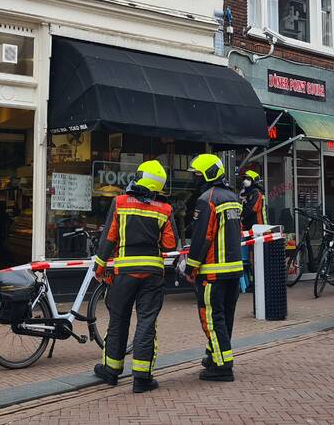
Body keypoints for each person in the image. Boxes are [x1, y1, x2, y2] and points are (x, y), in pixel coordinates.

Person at [92, 159, 177, 394]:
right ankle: (142, 377)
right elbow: (170, 244)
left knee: (118, 320)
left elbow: (108, 238)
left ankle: (111, 371)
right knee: (147, 322)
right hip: (152, 275)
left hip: (124, 274)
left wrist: (99, 267)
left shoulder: (120, 202)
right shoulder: (165, 209)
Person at [185, 153, 244, 382]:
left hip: (213, 271)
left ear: (208, 174)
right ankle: (214, 356)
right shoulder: (233, 197)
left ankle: (222, 365)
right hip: (234, 270)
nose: (195, 179)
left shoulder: (207, 199)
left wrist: (191, 267)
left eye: (198, 174)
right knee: (225, 318)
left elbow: (202, 237)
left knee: (211, 318)